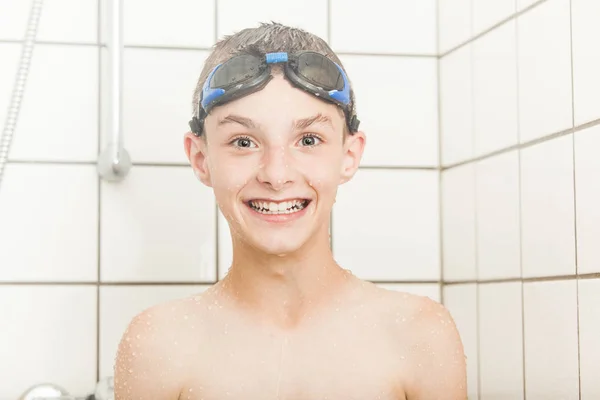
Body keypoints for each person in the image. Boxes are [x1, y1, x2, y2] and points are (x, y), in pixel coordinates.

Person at [114, 22, 467, 400]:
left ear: (349, 156)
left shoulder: (418, 336)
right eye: (244, 141)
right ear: (201, 158)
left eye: (309, 139)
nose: (277, 175)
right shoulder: (159, 346)